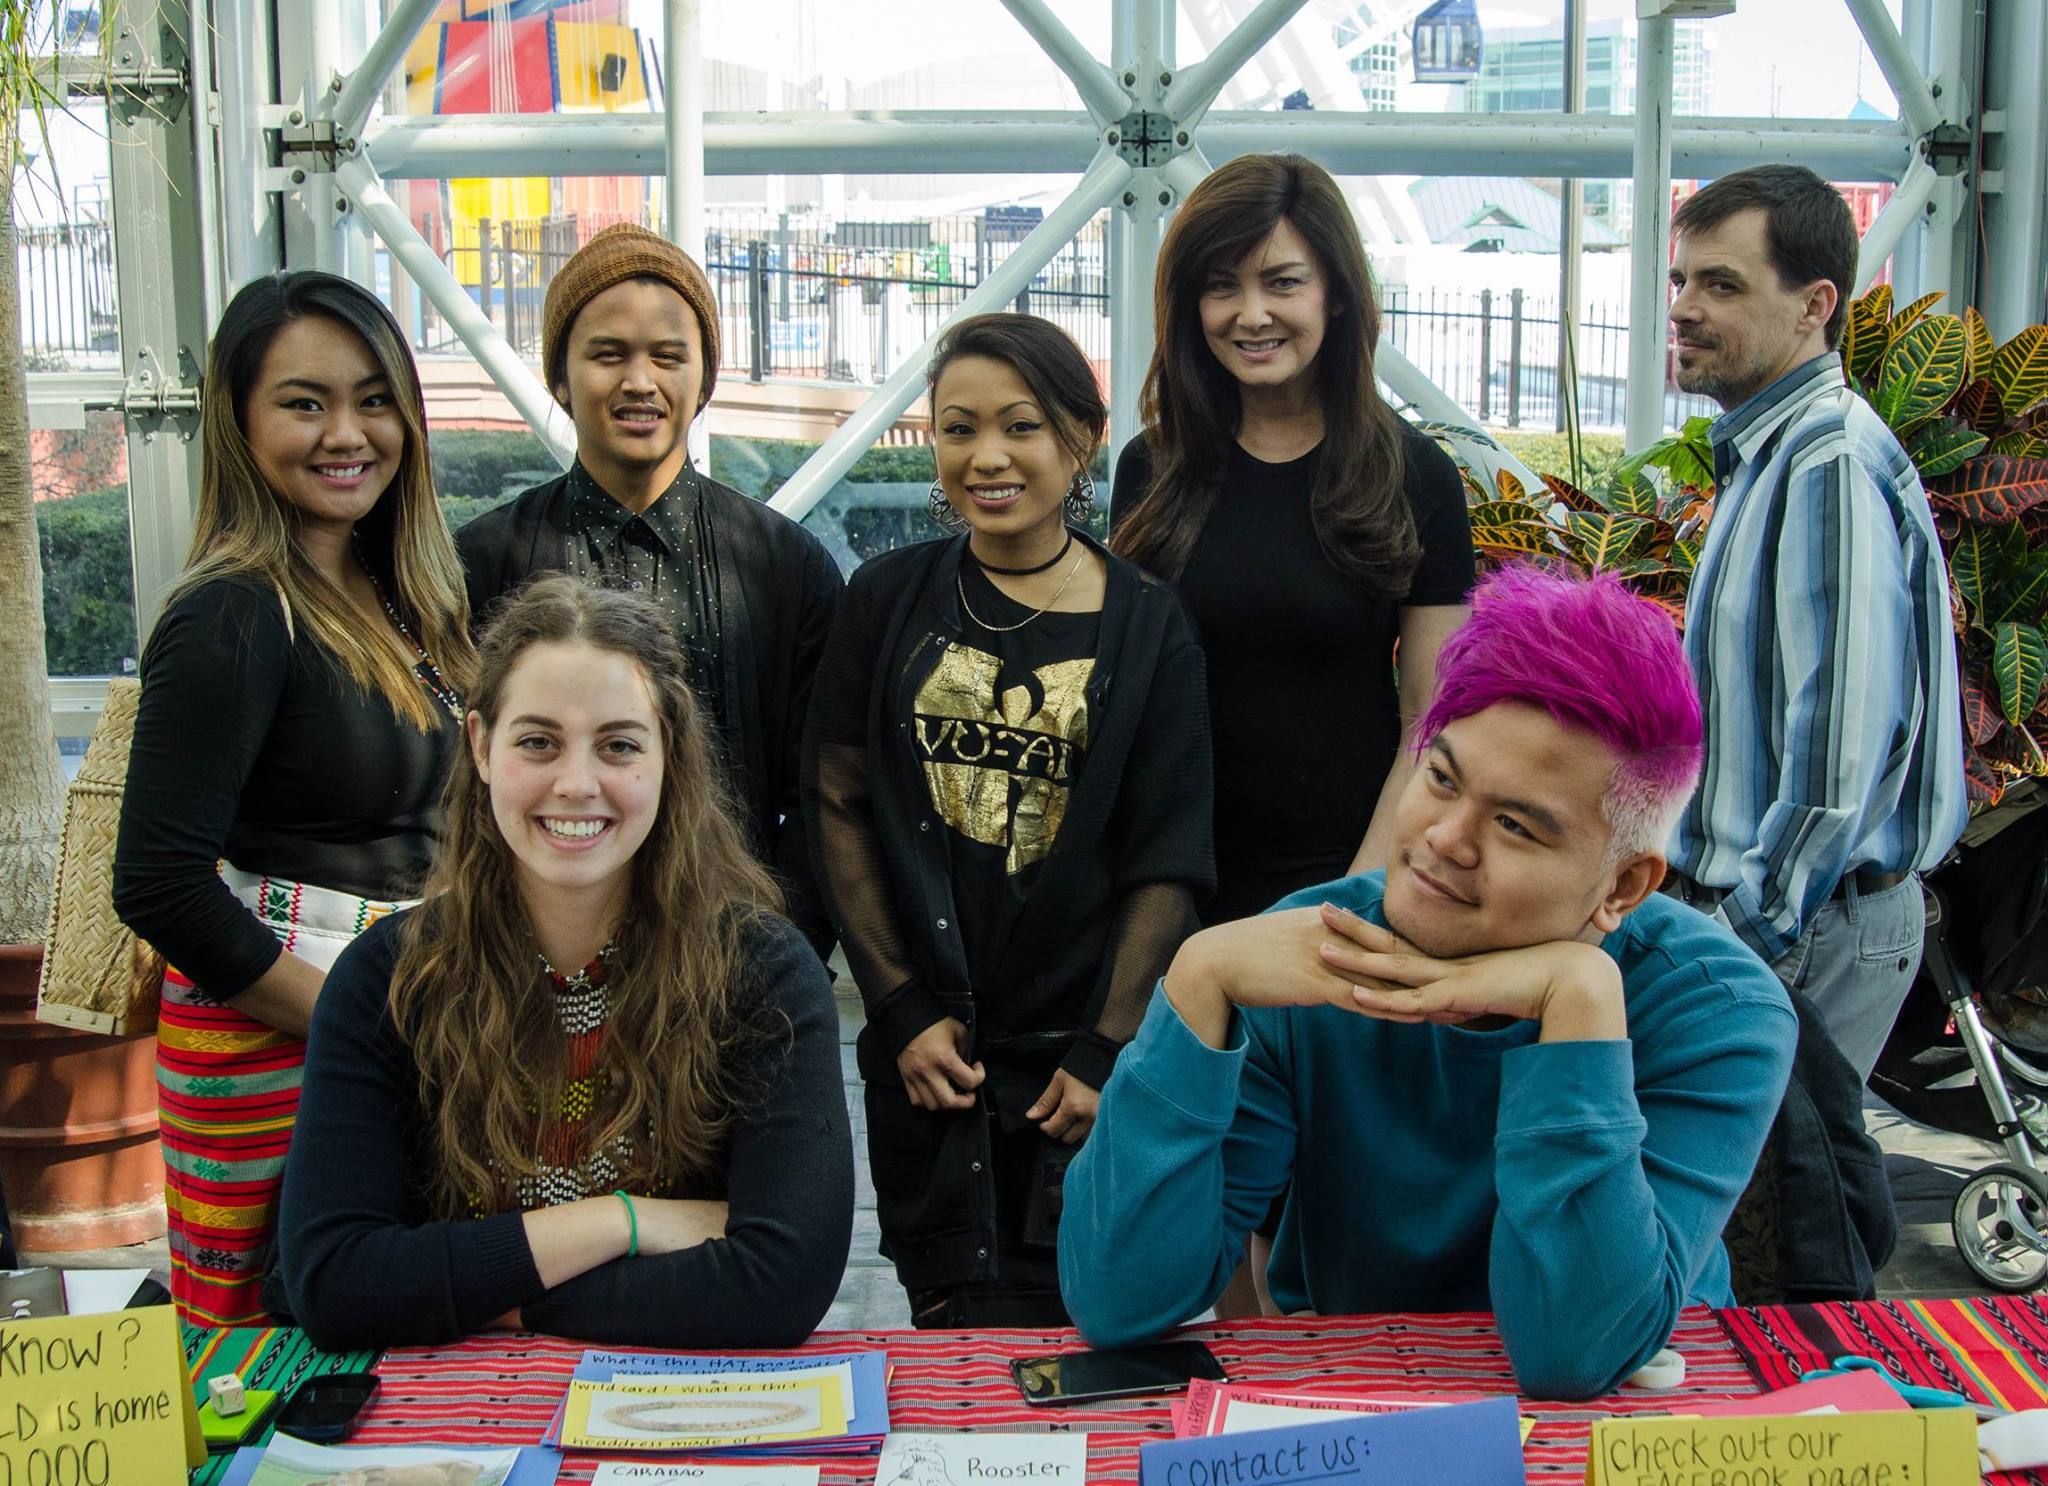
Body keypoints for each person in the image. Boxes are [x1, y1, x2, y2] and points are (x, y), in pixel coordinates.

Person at [1059, 565, 1798, 1400]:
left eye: (1515, 825)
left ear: (1625, 887)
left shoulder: (1718, 1010)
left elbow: (1575, 1353)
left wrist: (1580, 999)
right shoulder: (1309, 958)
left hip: (1643, 1414)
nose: (1446, 839)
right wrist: (1197, 977)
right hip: (1360, 1403)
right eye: (1441, 779)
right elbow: (1120, 1302)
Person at [279, 575, 853, 1349]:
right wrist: (620, 1222)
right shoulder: (385, 980)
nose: (577, 784)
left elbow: (782, 1285)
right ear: (481, 746)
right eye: (538, 742)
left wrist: (471, 1293)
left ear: (670, 755)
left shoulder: (764, 973)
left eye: (618, 745)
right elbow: (335, 1285)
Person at [805, 313, 1213, 1328]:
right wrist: (898, 1005)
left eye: (1020, 426)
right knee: (946, 1326)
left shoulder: (1148, 624)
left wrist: (1107, 1049)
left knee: (1082, 1330)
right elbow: (837, 802)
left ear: (1080, 439)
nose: (986, 456)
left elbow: (1166, 861)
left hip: (1072, 1070)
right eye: (958, 429)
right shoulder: (885, 600)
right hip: (928, 1064)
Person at [113, 271, 474, 1327]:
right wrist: (360, 1025)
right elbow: (158, 883)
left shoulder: (400, 597)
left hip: (390, 1026)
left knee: (396, 1336)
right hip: (279, 1052)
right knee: (275, 1352)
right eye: (304, 403)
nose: (346, 434)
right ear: (237, 420)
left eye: (373, 400)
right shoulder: (231, 615)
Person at [1109, 152, 1474, 927]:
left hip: (1342, 882)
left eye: (1282, 282)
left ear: (1335, 292)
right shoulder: (1153, 467)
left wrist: (1355, 898)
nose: (1251, 315)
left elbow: (1432, 719)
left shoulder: (1415, 475)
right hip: (1169, 883)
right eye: (1221, 286)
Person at [457, 223, 842, 955]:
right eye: (609, 354)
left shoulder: (785, 567)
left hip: (733, 955)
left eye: (668, 356)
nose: (641, 381)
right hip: (524, 957)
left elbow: (824, 795)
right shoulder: (484, 561)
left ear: (704, 379)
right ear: (560, 379)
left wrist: (782, 954)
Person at [1664, 164, 1967, 1080]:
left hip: (1801, 935)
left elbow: (1838, 744)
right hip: (1796, 926)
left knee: (1783, 1182)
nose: (1683, 308)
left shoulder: (1824, 463)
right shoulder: (1778, 454)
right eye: (1680, 279)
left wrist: (1739, 937)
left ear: (1815, 305)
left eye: (1722, 285)